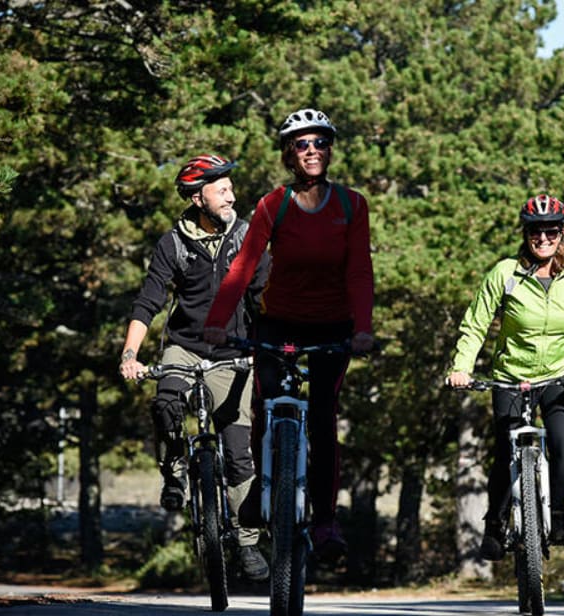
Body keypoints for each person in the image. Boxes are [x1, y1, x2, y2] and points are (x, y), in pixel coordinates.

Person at [203, 108, 374, 561]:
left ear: (330, 150)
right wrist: (217, 321)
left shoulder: (351, 204)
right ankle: (265, 481)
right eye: (302, 144)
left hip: (334, 325)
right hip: (279, 320)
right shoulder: (272, 205)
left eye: (319, 142)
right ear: (289, 154)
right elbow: (243, 266)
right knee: (266, 400)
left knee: (321, 415)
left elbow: (359, 270)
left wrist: (363, 329)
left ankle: (324, 522)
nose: (312, 150)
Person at [119, 154, 271, 581]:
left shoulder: (247, 237)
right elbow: (148, 302)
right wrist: (131, 355)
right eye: (221, 190)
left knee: (239, 453)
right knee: (166, 401)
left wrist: (268, 346)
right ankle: (175, 470)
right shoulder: (173, 244)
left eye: (231, 188)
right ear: (197, 196)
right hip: (185, 347)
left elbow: (265, 296)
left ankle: (247, 542)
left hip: (234, 352)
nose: (231, 196)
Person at [447, 194, 564, 561]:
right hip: (511, 377)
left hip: (560, 378)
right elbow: (475, 324)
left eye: (551, 231)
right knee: (505, 451)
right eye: (535, 231)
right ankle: (495, 525)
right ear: (526, 233)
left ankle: (558, 517)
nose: (543, 238)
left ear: (561, 233)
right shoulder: (505, 273)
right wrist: (461, 367)